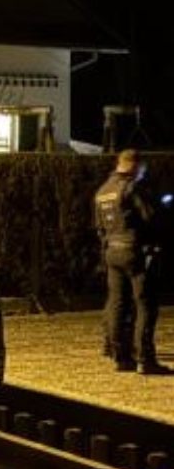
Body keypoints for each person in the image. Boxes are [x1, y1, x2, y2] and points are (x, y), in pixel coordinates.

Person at [94, 148, 168, 374]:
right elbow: (150, 218)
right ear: (133, 165)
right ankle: (145, 359)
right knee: (145, 305)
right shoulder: (131, 188)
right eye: (141, 169)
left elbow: (99, 227)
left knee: (117, 304)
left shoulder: (102, 191)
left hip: (111, 252)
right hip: (134, 251)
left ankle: (120, 357)